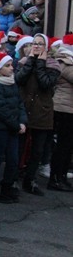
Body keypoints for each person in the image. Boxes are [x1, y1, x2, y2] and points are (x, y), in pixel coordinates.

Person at [15, 34, 60, 196]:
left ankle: (30, 180)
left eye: (40, 44)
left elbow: (46, 83)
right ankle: (13, 177)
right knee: (18, 147)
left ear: (46, 47)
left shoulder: (53, 65)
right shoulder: (23, 62)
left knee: (37, 149)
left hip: (42, 111)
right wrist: (31, 62)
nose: (36, 46)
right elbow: (18, 80)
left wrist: (40, 63)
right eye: (34, 43)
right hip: (24, 109)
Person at [0, 53, 26, 203]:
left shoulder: (12, 82)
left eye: (11, 65)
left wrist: (22, 121)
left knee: (13, 158)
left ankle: (7, 185)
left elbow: (20, 103)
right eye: (7, 65)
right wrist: (16, 124)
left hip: (12, 126)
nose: (11, 68)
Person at [49, 35, 73, 191]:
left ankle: (61, 176)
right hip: (63, 108)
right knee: (63, 146)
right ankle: (56, 178)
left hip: (68, 108)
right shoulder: (64, 62)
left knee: (68, 146)